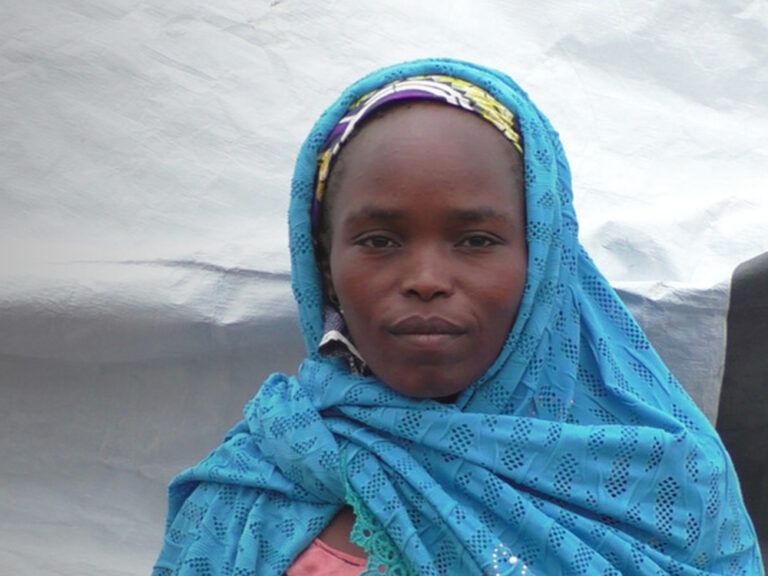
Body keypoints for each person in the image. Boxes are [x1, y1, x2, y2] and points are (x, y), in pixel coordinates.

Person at [152, 58, 763, 575]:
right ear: (324, 264)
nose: (426, 279)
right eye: (379, 241)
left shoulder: (665, 485)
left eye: (475, 240)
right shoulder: (261, 479)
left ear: (542, 262)